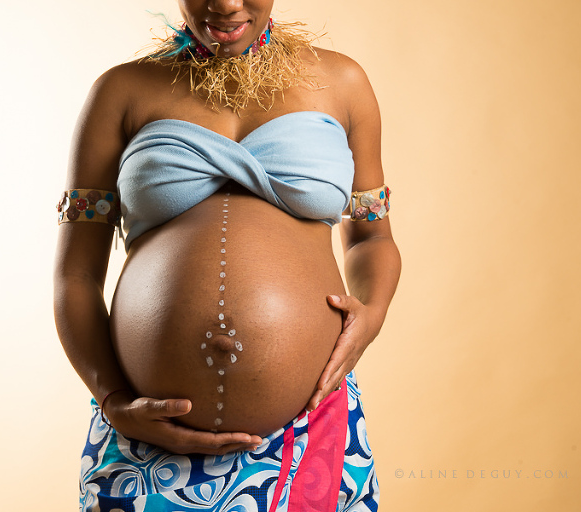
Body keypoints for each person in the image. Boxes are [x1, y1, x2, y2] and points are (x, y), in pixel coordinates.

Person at [54, 1, 401, 510]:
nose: (226, 4)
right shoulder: (121, 92)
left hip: (308, 438)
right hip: (145, 442)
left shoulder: (343, 82)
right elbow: (77, 276)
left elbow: (373, 239)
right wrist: (114, 402)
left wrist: (370, 315)